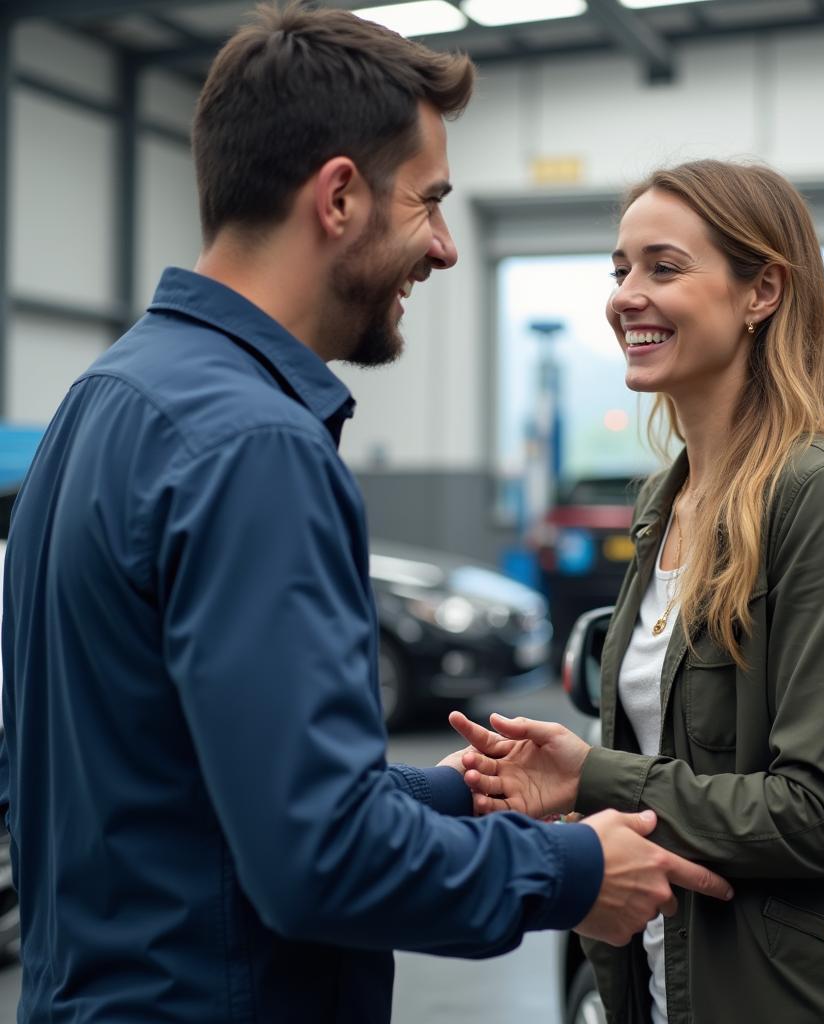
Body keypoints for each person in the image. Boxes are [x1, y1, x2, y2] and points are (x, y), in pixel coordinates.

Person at [0, 8, 734, 1023]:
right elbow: (318, 863)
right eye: (428, 202)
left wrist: (447, 796)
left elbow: (188, 791)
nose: (442, 248)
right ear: (338, 196)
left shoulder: (108, 398)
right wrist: (571, 870)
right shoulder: (257, 447)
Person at [452, 159, 824, 1024]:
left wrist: (597, 774)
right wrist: (567, 784)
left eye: (663, 267)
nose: (625, 295)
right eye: (619, 270)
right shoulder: (666, 498)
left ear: (762, 291)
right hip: (647, 982)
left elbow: (817, 816)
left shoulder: (819, 496)